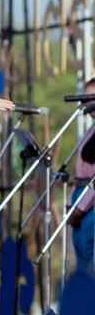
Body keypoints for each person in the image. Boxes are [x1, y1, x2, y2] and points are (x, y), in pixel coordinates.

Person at [67, 78, 95, 271]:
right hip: (80, 197)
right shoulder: (90, 130)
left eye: (91, 96)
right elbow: (79, 172)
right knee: (81, 261)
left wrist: (81, 207)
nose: (88, 102)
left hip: (90, 202)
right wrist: (71, 203)